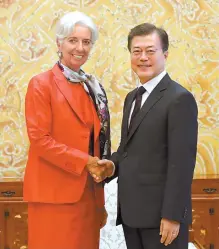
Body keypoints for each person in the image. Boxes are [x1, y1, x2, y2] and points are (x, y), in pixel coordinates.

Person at [97, 23, 198, 249]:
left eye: (150, 51)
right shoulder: (131, 98)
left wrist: (173, 215)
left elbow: (182, 163)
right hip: (132, 214)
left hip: (162, 218)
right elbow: (128, 149)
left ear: (165, 54)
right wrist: (111, 166)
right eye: (137, 51)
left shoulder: (179, 99)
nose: (143, 57)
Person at [24, 11, 113, 249]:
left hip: (89, 199)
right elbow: (40, 140)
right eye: (73, 40)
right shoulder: (41, 84)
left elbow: (99, 144)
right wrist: (85, 162)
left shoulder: (93, 87)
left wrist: (100, 200)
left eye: (86, 42)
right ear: (59, 43)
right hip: (53, 199)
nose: (80, 48)